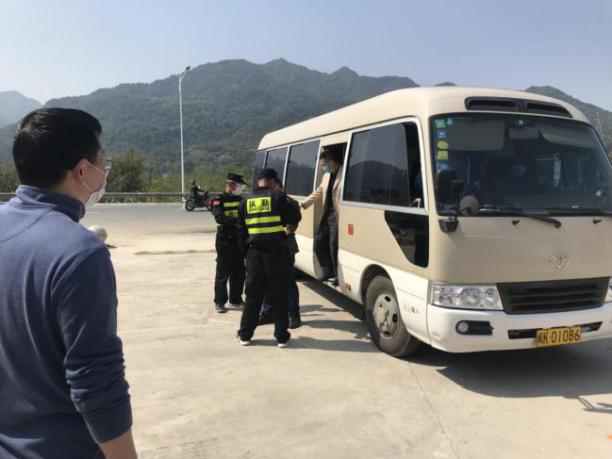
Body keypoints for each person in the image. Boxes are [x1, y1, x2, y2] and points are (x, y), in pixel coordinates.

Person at [0, 108, 136, 458]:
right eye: (102, 162)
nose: (104, 171)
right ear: (82, 170)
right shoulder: (80, 252)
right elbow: (96, 381)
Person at [236, 168, 302, 348]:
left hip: (254, 254)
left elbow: (240, 231)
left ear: (259, 181)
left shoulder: (245, 201)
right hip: (276, 253)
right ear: (273, 181)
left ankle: (245, 335)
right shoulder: (278, 197)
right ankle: (281, 337)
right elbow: (296, 216)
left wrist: (245, 254)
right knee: (279, 295)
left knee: (253, 297)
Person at [259, 177, 301, 328]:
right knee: (267, 281)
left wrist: (286, 230)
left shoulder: (289, 202)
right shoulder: (264, 201)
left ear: (280, 187)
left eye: (273, 187)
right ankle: (267, 312)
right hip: (267, 246)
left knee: (288, 281)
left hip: (285, 246)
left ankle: (293, 315)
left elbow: (293, 223)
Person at [300, 146, 344, 283]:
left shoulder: (344, 173)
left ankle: (337, 275)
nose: (323, 168)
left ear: (332, 161)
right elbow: (319, 192)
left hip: (338, 215)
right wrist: (303, 204)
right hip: (327, 213)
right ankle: (327, 269)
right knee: (319, 240)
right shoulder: (326, 176)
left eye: (324, 165)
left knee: (333, 244)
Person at [211, 173, 248, 313]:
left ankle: (236, 299)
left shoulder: (241, 200)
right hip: (225, 240)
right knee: (223, 273)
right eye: (239, 186)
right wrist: (240, 222)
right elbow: (220, 218)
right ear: (231, 185)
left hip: (239, 239)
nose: (241, 189)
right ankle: (220, 302)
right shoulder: (218, 200)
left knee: (239, 271)